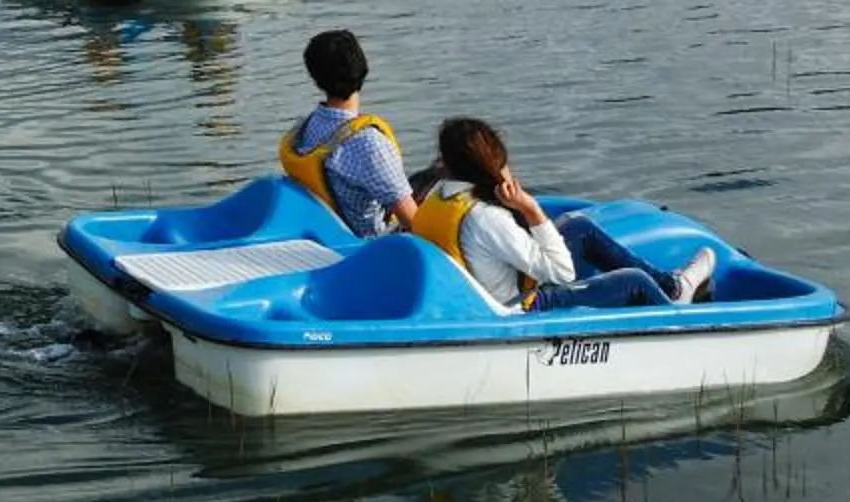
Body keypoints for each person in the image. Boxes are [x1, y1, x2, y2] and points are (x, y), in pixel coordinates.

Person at [413, 116, 715, 311]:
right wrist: (530, 209)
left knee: (579, 227)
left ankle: (673, 286)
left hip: (480, 293)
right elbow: (561, 271)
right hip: (518, 308)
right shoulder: (485, 218)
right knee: (633, 281)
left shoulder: (435, 198)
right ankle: (673, 307)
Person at [279, 29, 418, 237]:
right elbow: (413, 221)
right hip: (371, 248)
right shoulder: (368, 143)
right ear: (363, 68)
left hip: (327, 236)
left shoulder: (303, 130)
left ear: (315, 78)